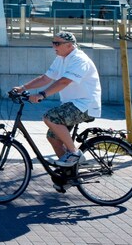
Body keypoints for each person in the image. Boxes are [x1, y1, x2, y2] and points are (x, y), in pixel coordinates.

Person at [13, 31, 101, 167]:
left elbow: (64, 81)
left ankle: (75, 153)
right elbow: (46, 78)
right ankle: (70, 172)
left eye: (57, 43)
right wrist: (23, 88)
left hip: (85, 105)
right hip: (72, 105)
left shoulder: (79, 60)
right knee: (53, 137)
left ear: (70, 45)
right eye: (53, 43)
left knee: (49, 117)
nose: (54, 46)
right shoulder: (61, 58)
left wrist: (42, 95)